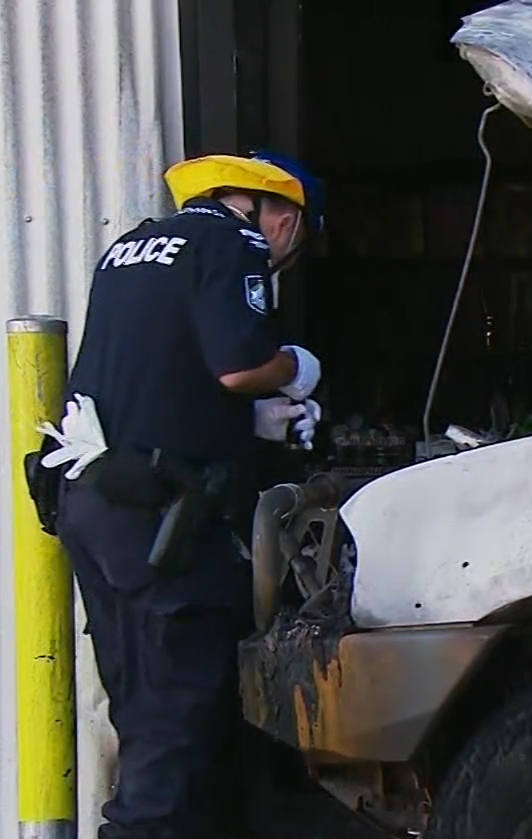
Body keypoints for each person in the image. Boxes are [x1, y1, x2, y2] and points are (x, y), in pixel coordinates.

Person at [37, 151, 328, 839]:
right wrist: (297, 369)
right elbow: (240, 366)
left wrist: (244, 425)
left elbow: (158, 371)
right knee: (175, 737)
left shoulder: (132, 247)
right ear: (284, 218)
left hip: (97, 503)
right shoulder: (236, 241)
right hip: (159, 523)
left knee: (147, 719)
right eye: (295, 241)